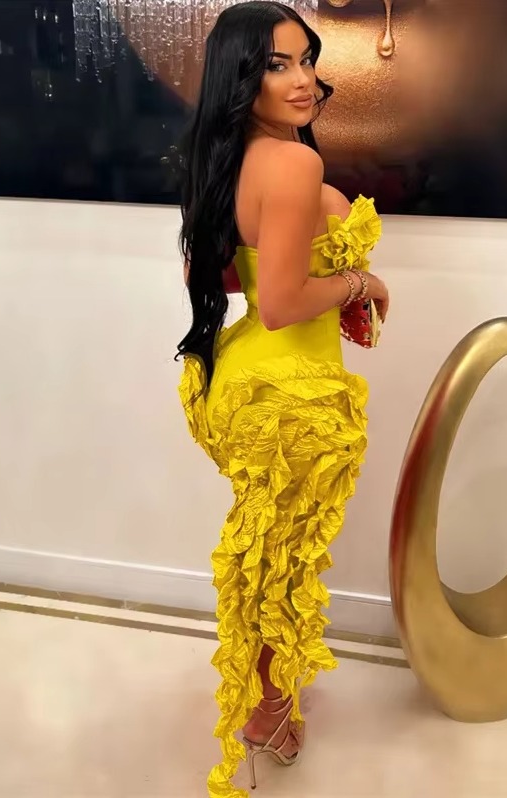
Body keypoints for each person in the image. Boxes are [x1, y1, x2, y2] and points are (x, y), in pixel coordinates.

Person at [176, 3, 389, 795]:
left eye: (306, 61)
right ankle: (269, 710)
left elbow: (221, 277)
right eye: (277, 65)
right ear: (242, 76)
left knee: (268, 551)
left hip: (243, 379)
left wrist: (313, 271)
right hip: (291, 394)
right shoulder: (292, 165)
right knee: (282, 560)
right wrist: (362, 282)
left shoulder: (225, 155)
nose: (303, 81)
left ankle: (267, 695)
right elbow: (284, 304)